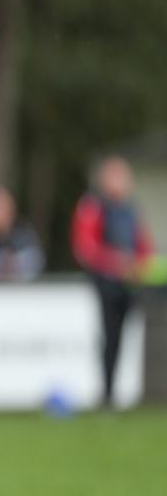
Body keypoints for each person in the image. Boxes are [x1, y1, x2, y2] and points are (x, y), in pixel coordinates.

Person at [71, 155, 153, 408]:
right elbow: (85, 249)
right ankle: (107, 395)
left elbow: (142, 244)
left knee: (132, 337)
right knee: (111, 337)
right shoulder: (92, 207)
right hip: (106, 285)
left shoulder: (130, 209)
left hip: (132, 284)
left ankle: (134, 392)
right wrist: (118, 264)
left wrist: (142, 265)